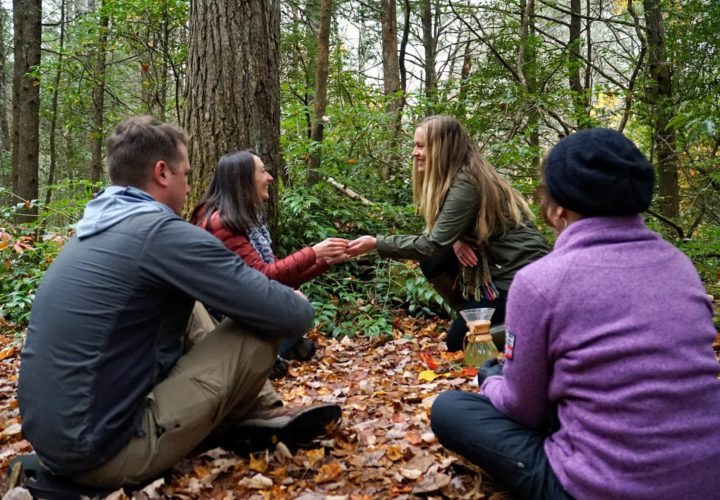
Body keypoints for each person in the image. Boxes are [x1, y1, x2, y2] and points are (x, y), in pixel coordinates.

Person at [17, 116, 342, 493]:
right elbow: (290, 315)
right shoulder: (164, 234)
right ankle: (245, 414)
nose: (190, 187)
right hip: (108, 454)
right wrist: (292, 299)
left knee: (184, 302)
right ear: (162, 172)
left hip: (59, 442)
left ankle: (259, 409)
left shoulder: (93, 229)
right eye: (186, 174)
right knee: (263, 324)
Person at [430, 128, 720, 499]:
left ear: (557, 207)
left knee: (451, 408)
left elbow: (524, 410)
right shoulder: (680, 265)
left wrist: (490, 379)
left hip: (604, 486)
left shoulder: (540, 281)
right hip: (708, 475)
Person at [346, 115, 548, 351]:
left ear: (442, 148)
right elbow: (440, 236)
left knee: (458, 343)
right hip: (502, 272)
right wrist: (456, 239)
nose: (414, 152)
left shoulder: (466, 183)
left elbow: (430, 244)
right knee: (434, 262)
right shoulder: (459, 178)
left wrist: (376, 243)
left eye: (421, 146)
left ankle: (523, 330)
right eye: (415, 145)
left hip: (520, 278)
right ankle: (474, 315)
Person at [190, 150, 350, 376]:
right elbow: (265, 276)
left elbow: (281, 273)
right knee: (295, 309)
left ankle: (277, 352)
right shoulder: (220, 223)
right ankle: (261, 360)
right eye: (263, 171)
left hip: (239, 310)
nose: (270, 178)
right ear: (244, 180)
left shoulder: (247, 222)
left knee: (296, 304)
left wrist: (324, 260)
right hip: (221, 320)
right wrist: (312, 252)